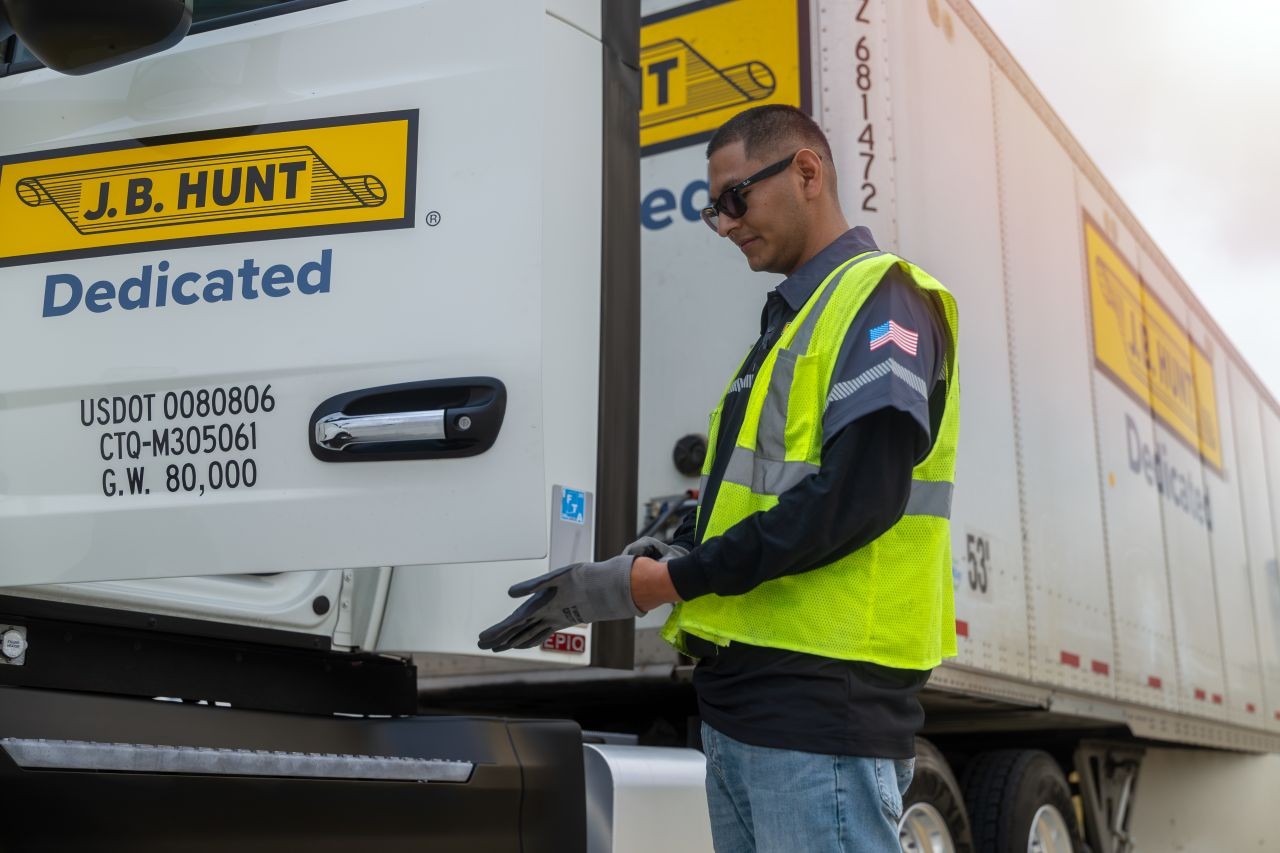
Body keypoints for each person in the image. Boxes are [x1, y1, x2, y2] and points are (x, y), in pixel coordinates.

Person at [479, 104, 959, 853]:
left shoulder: (880, 298)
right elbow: (758, 505)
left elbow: (855, 498)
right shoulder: (788, 326)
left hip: (821, 704)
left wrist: (669, 583)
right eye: (712, 209)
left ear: (807, 171)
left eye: (735, 197)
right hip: (751, 705)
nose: (725, 224)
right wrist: (642, 566)